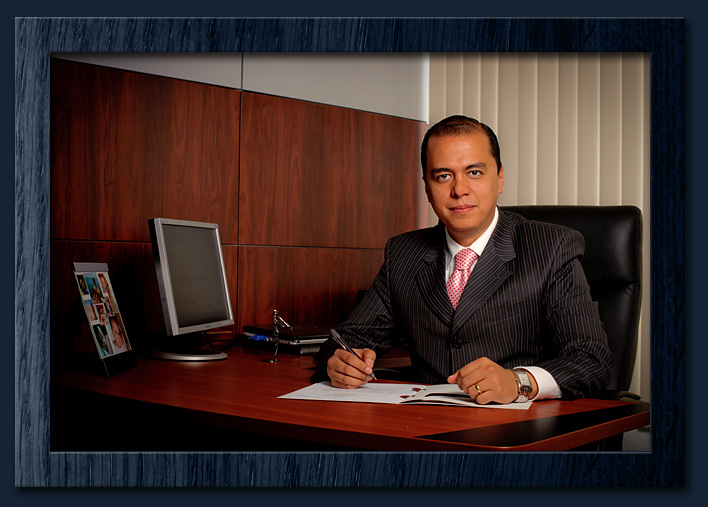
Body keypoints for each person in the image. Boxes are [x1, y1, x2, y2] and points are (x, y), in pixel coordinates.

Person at [314, 115, 613, 404]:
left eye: (474, 172)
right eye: (443, 176)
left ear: (499, 178)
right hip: (425, 423)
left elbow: (592, 360)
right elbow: (346, 340)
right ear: (427, 188)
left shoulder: (551, 247)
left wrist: (518, 381)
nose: (459, 190)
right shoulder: (404, 253)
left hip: (517, 424)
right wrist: (340, 363)